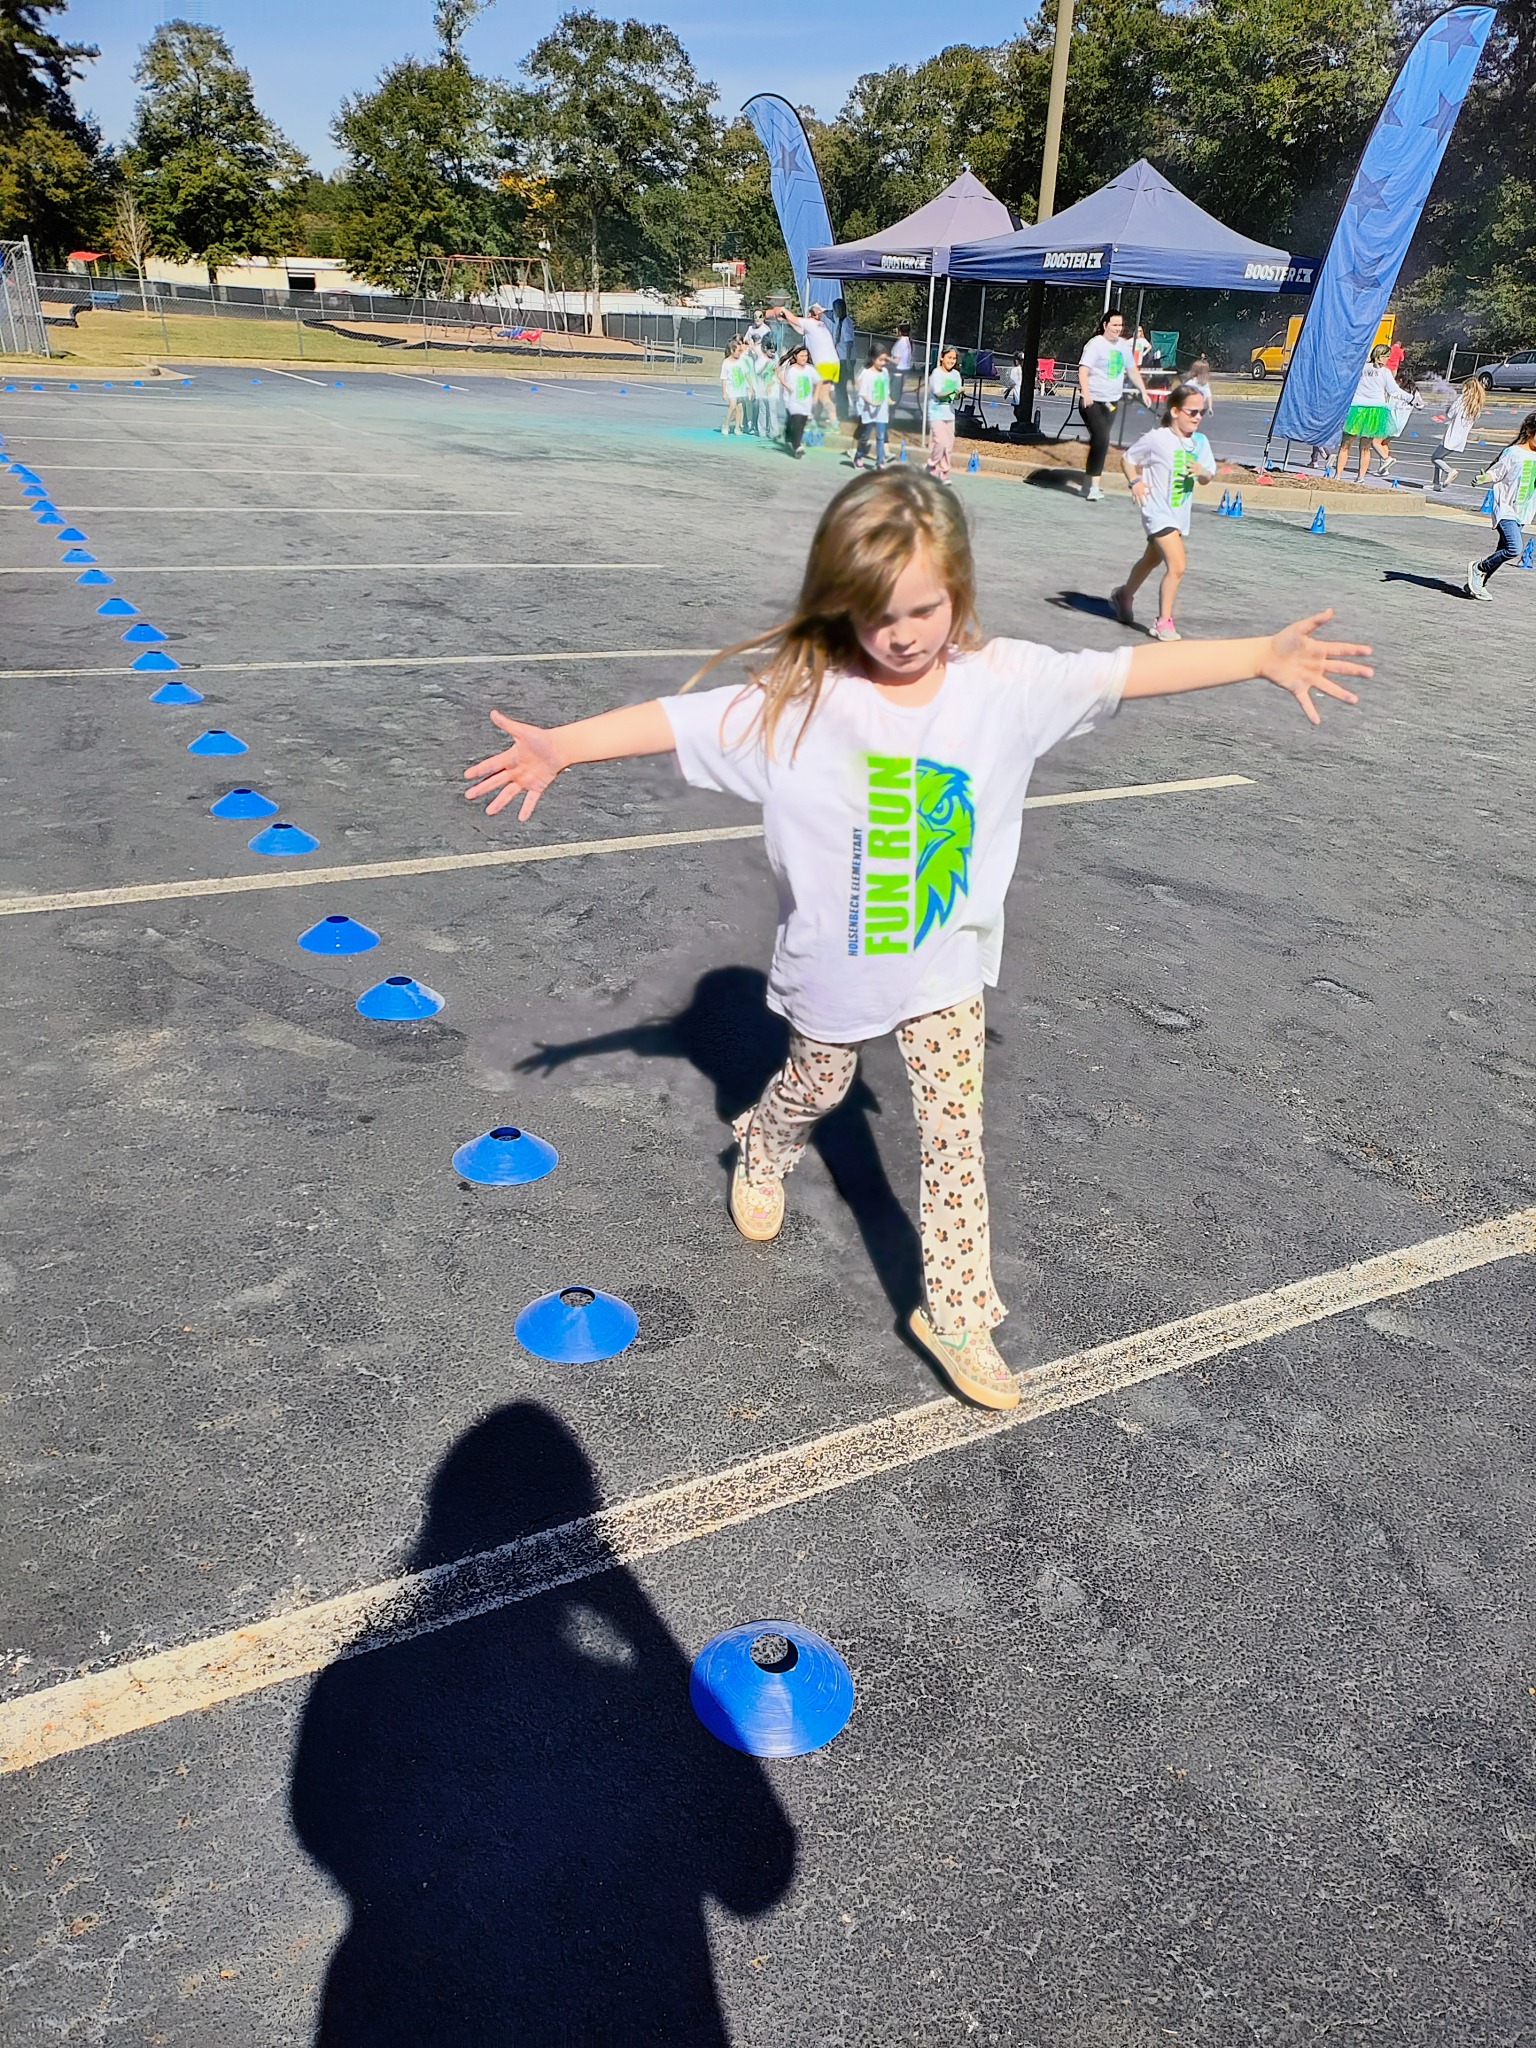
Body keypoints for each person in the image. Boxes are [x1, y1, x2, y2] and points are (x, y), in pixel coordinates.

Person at [463, 471, 1371, 1411]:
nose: (901, 635)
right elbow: (675, 720)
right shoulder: (798, 707)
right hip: (836, 969)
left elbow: (1125, 672)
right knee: (820, 1084)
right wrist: (562, 745)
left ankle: (960, 1313)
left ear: (959, 592)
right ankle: (763, 1145)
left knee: (953, 1133)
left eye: (923, 610)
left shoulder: (1006, 686)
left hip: (944, 968)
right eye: (876, 615)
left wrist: (1261, 654)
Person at [1111, 383, 1217, 642]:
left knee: (1151, 559)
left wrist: (1202, 471)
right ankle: (1163, 622)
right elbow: (1128, 460)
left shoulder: (1200, 442)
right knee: (1177, 566)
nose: (1198, 417)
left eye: (1201, 412)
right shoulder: (1157, 439)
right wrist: (1135, 482)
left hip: (1179, 515)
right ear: (1175, 411)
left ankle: (1124, 595)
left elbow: (1208, 477)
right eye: (1192, 412)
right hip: (1157, 511)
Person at [1076, 309, 1151, 502]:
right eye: (1114, 324)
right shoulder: (1095, 344)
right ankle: (1094, 487)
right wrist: (1086, 392)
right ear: (1105, 325)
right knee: (1102, 439)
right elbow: (1083, 371)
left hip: (1112, 401)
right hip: (1092, 401)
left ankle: (1087, 484)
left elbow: (1132, 371)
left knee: (1099, 442)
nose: (1118, 328)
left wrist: (1143, 391)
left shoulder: (1123, 346)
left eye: (1121, 325)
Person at [1466, 409, 1536, 601]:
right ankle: (1478, 568)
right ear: (1530, 431)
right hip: (1506, 508)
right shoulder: (1513, 453)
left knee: (1502, 550)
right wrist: (1484, 478)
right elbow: (1496, 473)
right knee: (1514, 548)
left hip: (1523, 511)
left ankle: (1477, 584)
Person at [1336, 343, 1397, 481]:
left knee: (1346, 444)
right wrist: (1411, 398)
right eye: (1387, 356)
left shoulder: (1361, 367)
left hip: (1357, 408)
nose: (1388, 359)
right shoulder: (1384, 372)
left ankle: (1339, 476)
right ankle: (1359, 478)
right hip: (1373, 410)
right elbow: (1394, 390)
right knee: (1364, 447)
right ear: (1380, 356)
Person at [782, 303, 841, 426]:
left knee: (823, 396)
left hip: (824, 364)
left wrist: (783, 309)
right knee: (818, 393)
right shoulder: (821, 326)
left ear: (809, 314)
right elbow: (801, 330)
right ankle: (814, 419)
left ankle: (834, 421)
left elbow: (793, 318)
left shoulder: (810, 323)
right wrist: (787, 320)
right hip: (834, 363)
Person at [1429, 372, 1487, 491]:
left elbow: (1450, 414)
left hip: (1452, 436)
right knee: (1439, 457)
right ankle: (1436, 484)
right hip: (1460, 438)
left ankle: (1450, 471)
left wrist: (1448, 407)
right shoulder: (1475, 406)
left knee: (1435, 458)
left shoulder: (1462, 399)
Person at [849, 346, 893, 470]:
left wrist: (889, 400)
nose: (883, 363)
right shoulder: (867, 374)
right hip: (868, 411)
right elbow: (862, 393)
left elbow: (886, 390)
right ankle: (858, 456)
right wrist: (871, 402)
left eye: (885, 360)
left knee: (881, 436)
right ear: (873, 358)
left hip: (882, 411)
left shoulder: (885, 372)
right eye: (880, 360)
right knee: (865, 437)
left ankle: (880, 463)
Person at [925, 346, 963, 483]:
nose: (951, 361)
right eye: (949, 357)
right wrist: (953, 390)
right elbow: (938, 393)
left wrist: (959, 393)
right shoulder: (936, 373)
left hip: (949, 414)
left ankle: (944, 472)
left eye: (954, 358)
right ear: (942, 357)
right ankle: (931, 465)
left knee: (948, 445)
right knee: (940, 441)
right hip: (936, 413)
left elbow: (956, 397)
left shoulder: (956, 375)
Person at [777, 342, 821, 458]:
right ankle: (797, 447)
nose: (804, 358)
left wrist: (816, 397)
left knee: (801, 425)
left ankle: (793, 441)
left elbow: (819, 381)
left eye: (806, 356)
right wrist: (783, 382)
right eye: (801, 356)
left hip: (807, 402)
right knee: (796, 421)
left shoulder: (810, 369)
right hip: (794, 402)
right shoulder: (791, 370)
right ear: (795, 356)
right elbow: (791, 388)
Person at [756, 334, 785, 447]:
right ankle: (762, 430)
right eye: (770, 351)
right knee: (762, 410)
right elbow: (758, 373)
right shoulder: (760, 359)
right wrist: (765, 366)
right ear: (764, 349)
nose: (772, 354)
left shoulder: (775, 358)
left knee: (772, 410)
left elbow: (777, 371)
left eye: (774, 352)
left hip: (772, 389)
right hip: (761, 389)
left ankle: (774, 432)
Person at [832, 298, 858, 420]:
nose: (836, 311)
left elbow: (849, 343)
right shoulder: (839, 321)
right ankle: (841, 412)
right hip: (840, 357)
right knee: (839, 387)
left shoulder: (846, 323)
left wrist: (847, 360)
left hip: (845, 358)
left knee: (841, 386)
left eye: (838, 309)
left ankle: (843, 413)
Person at [719, 338, 747, 437]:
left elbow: (746, 374)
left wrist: (750, 387)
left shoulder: (741, 361)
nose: (740, 353)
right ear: (732, 350)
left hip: (740, 388)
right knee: (732, 405)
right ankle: (726, 425)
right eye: (738, 351)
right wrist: (724, 392)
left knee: (739, 407)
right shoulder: (726, 362)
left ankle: (737, 427)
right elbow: (724, 378)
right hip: (731, 389)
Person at [890, 324, 914, 416]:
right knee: (897, 395)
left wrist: (886, 358)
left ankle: (890, 414)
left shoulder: (901, 343)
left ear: (900, 331)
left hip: (898, 372)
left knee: (893, 395)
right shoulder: (908, 342)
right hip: (904, 371)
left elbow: (896, 361)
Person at [1185, 355, 1214, 420]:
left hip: (1200, 407)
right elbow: (1184, 392)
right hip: (1191, 407)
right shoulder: (1191, 382)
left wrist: (1210, 407)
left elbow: (1209, 396)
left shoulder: (1205, 384)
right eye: (1204, 373)